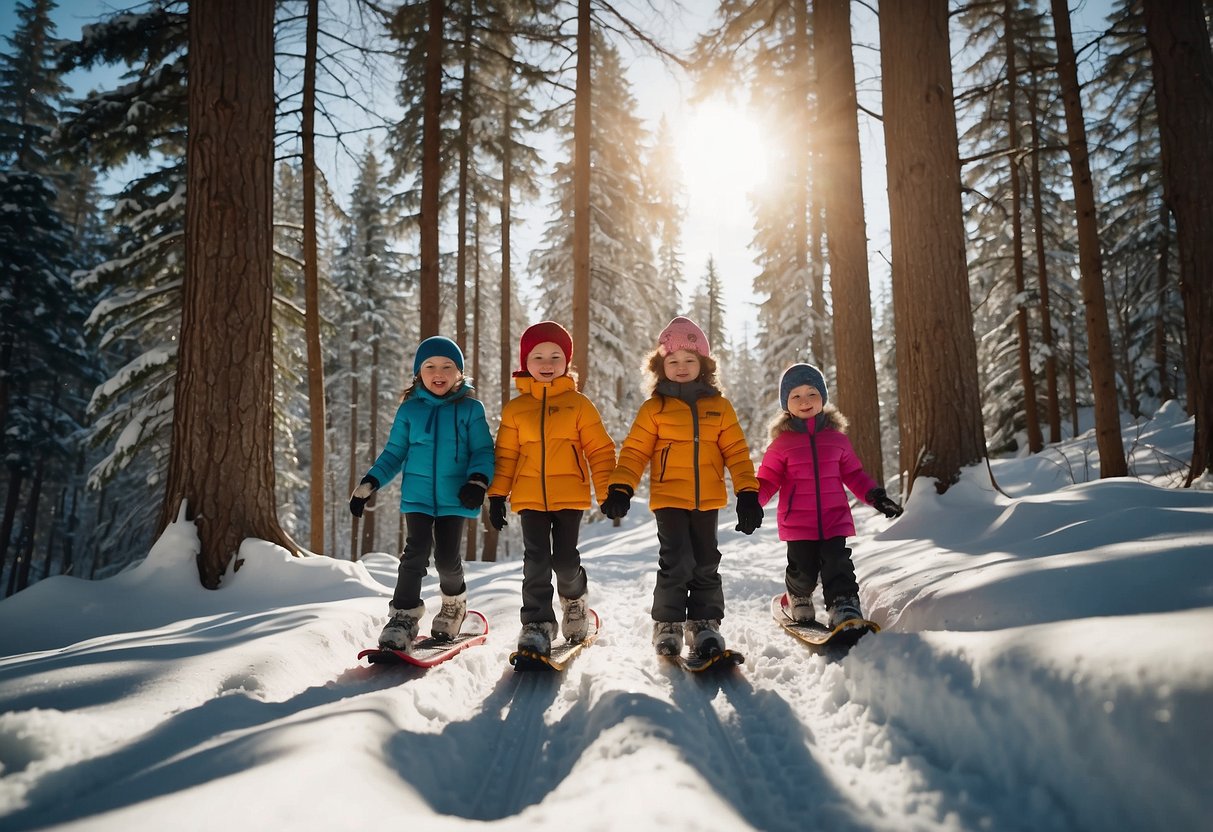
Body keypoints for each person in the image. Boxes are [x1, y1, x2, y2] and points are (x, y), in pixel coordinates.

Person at [603, 316, 763, 659]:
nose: (681, 366)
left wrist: (748, 492)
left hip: (707, 499)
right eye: (672, 361)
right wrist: (621, 487)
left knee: (706, 561)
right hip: (669, 499)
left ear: (703, 365)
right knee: (676, 560)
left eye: (690, 360)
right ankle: (668, 624)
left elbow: (736, 451)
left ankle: (705, 624)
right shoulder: (654, 409)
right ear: (661, 366)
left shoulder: (719, 408)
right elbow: (634, 451)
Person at [349, 336, 495, 653]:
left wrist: (478, 482)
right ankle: (403, 617)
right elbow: (393, 454)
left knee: (446, 558)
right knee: (414, 554)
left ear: (459, 373)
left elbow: (483, 450)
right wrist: (369, 483)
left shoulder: (471, 409)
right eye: (430, 366)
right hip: (417, 497)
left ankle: (454, 603)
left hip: (456, 498)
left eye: (447, 366)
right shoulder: (409, 411)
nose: (438, 372)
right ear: (419, 373)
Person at [487, 321, 617, 657]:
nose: (546, 363)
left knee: (564, 559)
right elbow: (506, 455)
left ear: (567, 362)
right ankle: (537, 624)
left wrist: (607, 493)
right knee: (536, 561)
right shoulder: (516, 409)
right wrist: (497, 495)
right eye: (538, 356)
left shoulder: (579, 405)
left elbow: (600, 450)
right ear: (525, 363)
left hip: (569, 495)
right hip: (529, 497)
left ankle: (575, 600)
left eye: (555, 356)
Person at [755, 363, 903, 628]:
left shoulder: (837, 439)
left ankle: (843, 604)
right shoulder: (782, 444)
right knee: (804, 571)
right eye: (796, 396)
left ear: (822, 397)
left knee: (838, 563)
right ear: (786, 404)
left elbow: (854, 474)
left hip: (834, 519)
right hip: (798, 523)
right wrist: (753, 502)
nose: (805, 401)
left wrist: (875, 496)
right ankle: (798, 594)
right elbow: (768, 479)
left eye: (812, 393)